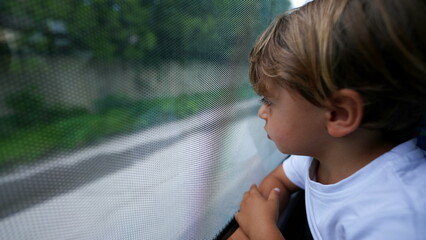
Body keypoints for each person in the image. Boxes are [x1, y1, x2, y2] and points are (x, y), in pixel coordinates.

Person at [230, 0, 426, 239]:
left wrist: (263, 229)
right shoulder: (320, 158)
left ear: (338, 115)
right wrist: (261, 214)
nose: (262, 112)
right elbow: (280, 179)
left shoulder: (396, 215)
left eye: (270, 101)